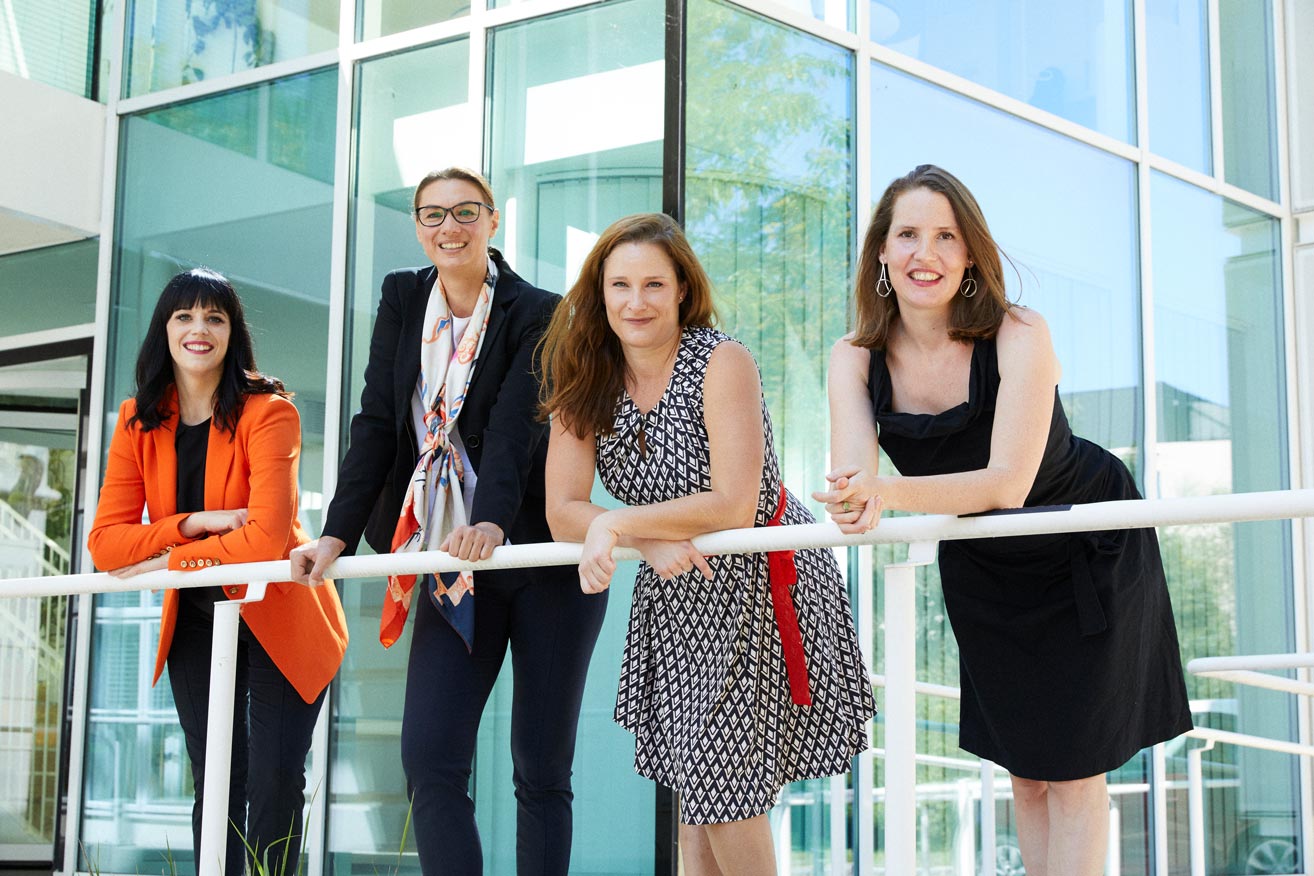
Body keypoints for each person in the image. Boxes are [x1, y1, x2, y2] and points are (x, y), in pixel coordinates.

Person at [816, 164, 1193, 876]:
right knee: (1026, 768)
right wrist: (855, 493)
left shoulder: (1019, 331)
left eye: (945, 237)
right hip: (984, 560)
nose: (925, 253)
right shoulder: (853, 357)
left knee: (1077, 769)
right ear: (882, 256)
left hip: (1084, 542)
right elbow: (857, 479)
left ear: (968, 257)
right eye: (907, 236)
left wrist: (882, 492)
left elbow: (1007, 483)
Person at [290, 167, 605, 875]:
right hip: (448, 556)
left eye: (466, 212)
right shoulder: (404, 299)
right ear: (417, 226)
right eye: (433, 215)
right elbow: (375, 423)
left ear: (493, 221)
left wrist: (491, 523)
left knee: (541, 766)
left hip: (539, 556)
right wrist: (335, 533)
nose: (449, 228)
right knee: (430, 759)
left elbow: (515, 426)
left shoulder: (538, 309)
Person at [539, 212, 875, 875]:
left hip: (755, 577)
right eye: (620, 286)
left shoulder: (721, 359)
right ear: (599, 293)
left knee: (723, 792)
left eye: (654, 285)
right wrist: (643, 536)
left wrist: (622, 524)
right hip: (679, 591)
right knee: (699, 801)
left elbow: (735, 504)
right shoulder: (585, 375)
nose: (636, 303)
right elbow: (563, 510)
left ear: (683, 291)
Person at [87, 267, 348, 875]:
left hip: (279, 612)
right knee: (216, 778)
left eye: (215, 317)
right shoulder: (137, 420)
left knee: (275, 777)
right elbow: (105, 544)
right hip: (198, 618)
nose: (198, 330)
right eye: (184, 317)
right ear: (164, 330)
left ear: (232, 333)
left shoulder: (269, 413)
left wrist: (165, 561)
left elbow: (265, 540)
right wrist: (192, 525)